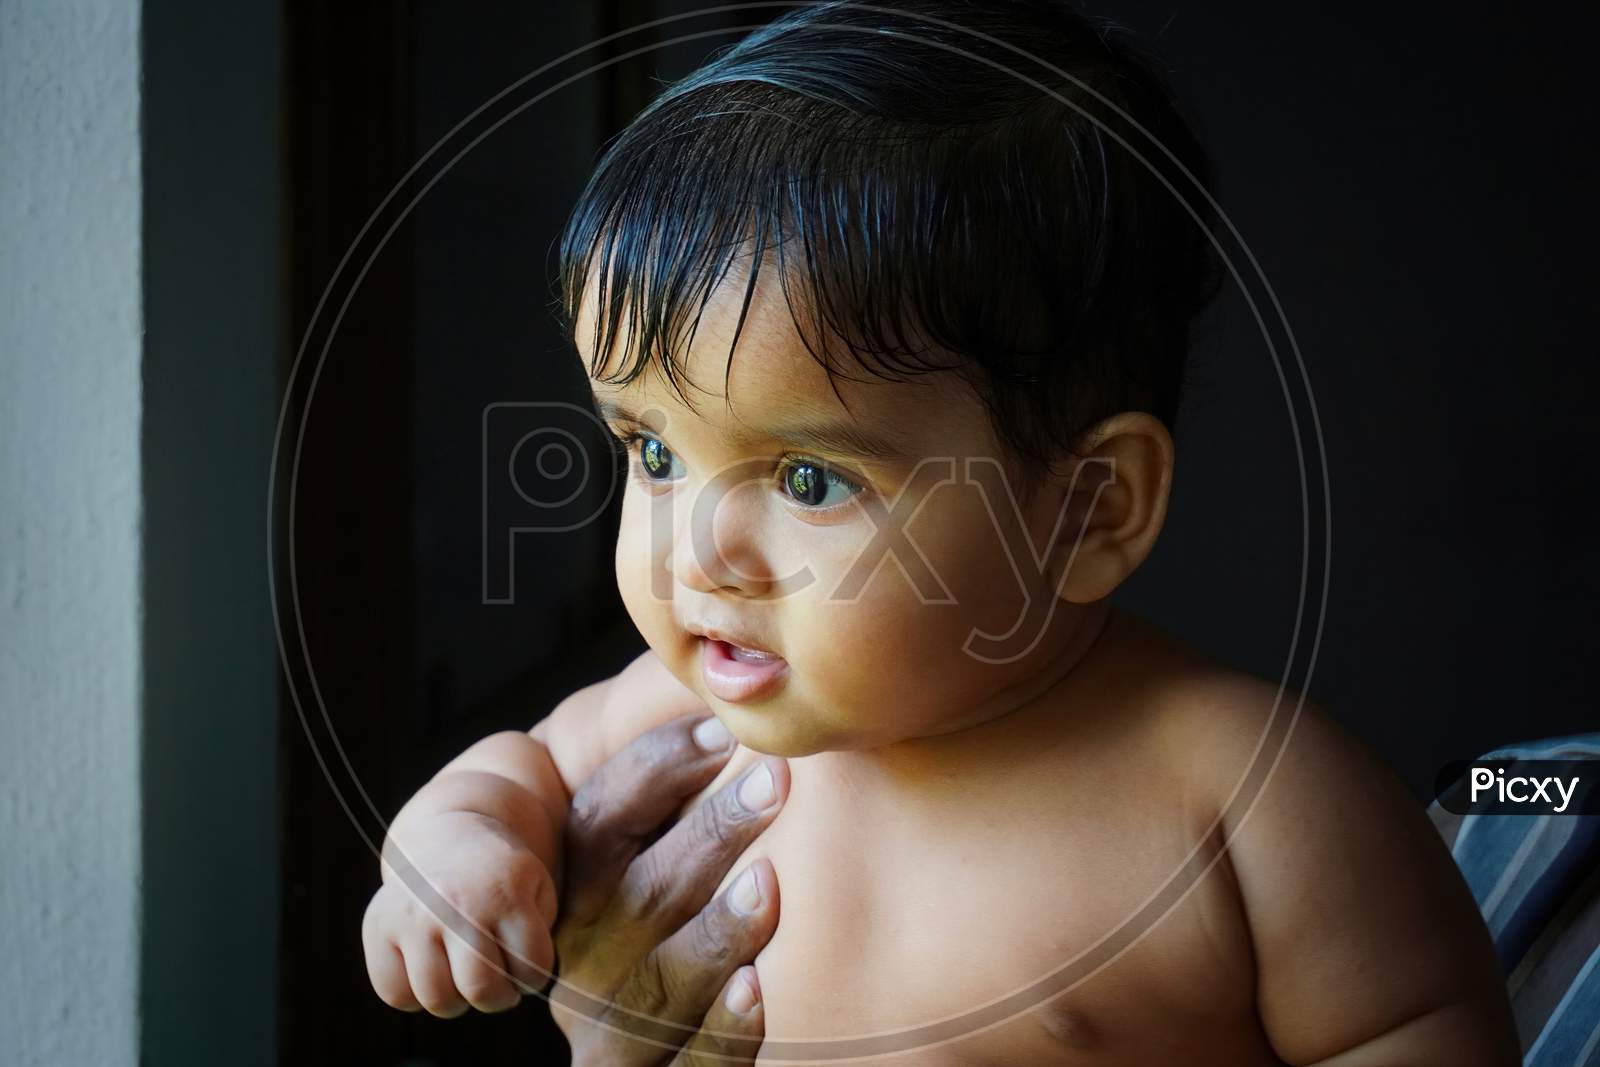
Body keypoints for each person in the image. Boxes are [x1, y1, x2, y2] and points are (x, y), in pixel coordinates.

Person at [361, 2, 1520, 1062]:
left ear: (1088, 508)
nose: (696, 550)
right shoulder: (680, 725)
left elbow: (1416, 1026)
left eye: (809, 476)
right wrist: (460, 851)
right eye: (654, 454)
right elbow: (512, 773)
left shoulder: (1247, 799)